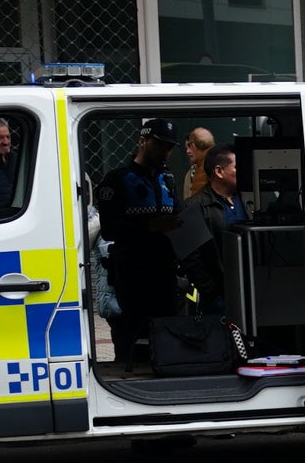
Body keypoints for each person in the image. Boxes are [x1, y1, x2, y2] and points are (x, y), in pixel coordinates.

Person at [97, 121, 185, 365]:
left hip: (165, 269)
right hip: (131, 270)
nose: (165, 153)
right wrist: (150, 227)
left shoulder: (168, 178)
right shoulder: (117, 180)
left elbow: (177, 216)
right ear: (143, 141)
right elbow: (109, 229)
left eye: (169, 148)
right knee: (130, 332)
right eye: (160, 146)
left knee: (166, 329)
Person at [174, 146, 250, 322]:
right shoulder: (192, 208)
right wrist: (212, 293)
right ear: (219, 171)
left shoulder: (250, 200)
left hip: (251, 291)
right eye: (237, 167)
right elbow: (190, 258)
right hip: (218, 299)